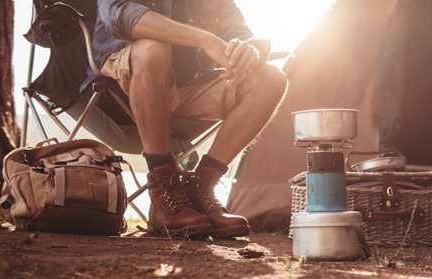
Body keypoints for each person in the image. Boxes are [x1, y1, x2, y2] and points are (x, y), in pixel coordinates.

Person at [85, 0, 288, 238]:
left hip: (189, 88)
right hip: (120, 85)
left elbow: (242, 34)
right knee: (153, 48)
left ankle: (200, 189)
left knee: (271, 79)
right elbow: (124, 18)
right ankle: (163, 191)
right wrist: (207, 40)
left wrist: (250, 52)